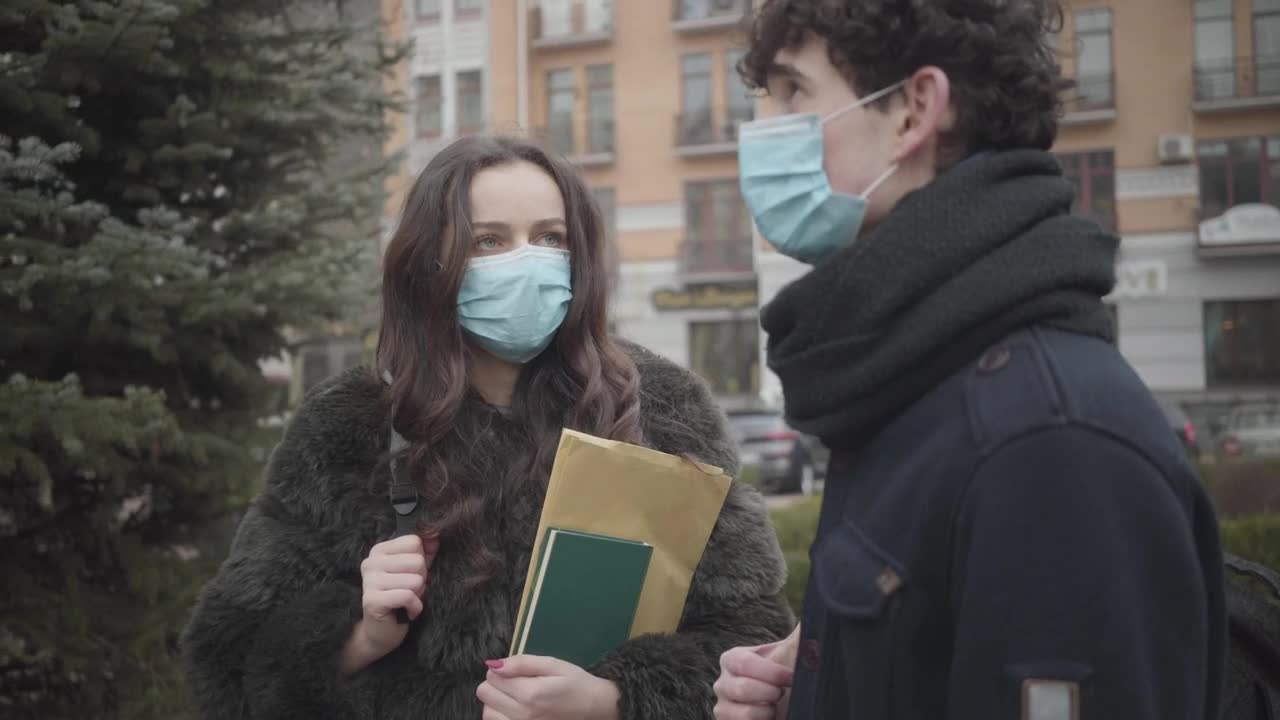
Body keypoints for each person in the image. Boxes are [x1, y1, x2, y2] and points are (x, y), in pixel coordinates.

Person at [713, 1, 1227, 719]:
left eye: (795, 91)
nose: (762, 131)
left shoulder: (1048, 446)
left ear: (916, 110)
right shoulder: (905, 380)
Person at [181, 135, 794, 720]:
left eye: (550, 238)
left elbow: (753, 637)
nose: (525, 262)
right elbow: (228, 660)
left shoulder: (662, 410)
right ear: (431, 262)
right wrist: (359, 636)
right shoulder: (351, 430)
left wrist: (614, 700)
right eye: (489, 242)